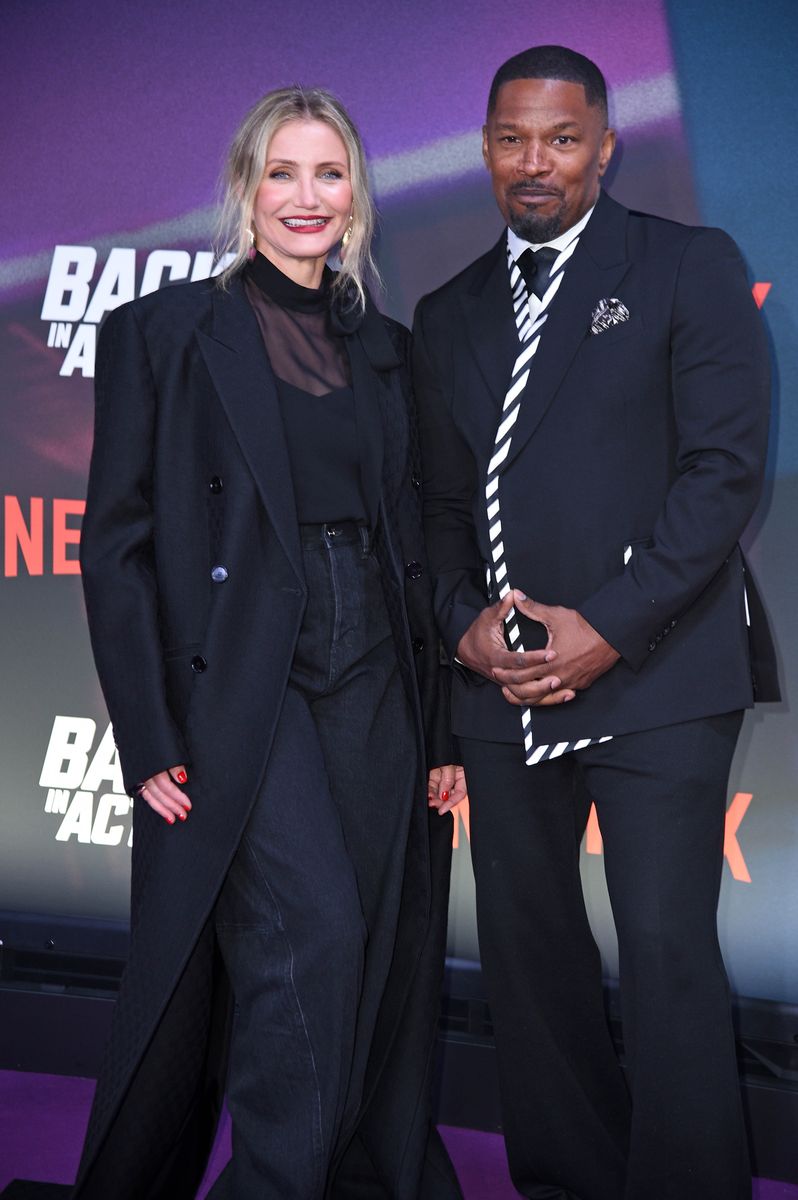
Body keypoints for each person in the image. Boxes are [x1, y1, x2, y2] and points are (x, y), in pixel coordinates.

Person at [74, 86, 465, 1200]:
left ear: (356, 197)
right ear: (246, 189)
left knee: (381, 949)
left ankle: (354, 1177)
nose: (307, 197)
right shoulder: (162, 334)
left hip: (377, 669)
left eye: (329, 173)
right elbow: (116, 547)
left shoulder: (391, 352)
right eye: (282, 173)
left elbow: (414, 551)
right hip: (248, 666)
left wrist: (443, 729)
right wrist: (147, 731)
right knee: (316, 936)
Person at [413, 45, 778, 1200]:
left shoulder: (685, 266)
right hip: (501, 684)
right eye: (514, 139)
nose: (537, 163)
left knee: (668, 957)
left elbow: (723, 478)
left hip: (657, 673)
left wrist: (607, 629)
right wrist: (461, 625)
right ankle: (567, 1180)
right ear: (485, 149)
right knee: (528, 957)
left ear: (606, 146)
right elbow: (428, 506)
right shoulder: (447, 310)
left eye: (562, 139)